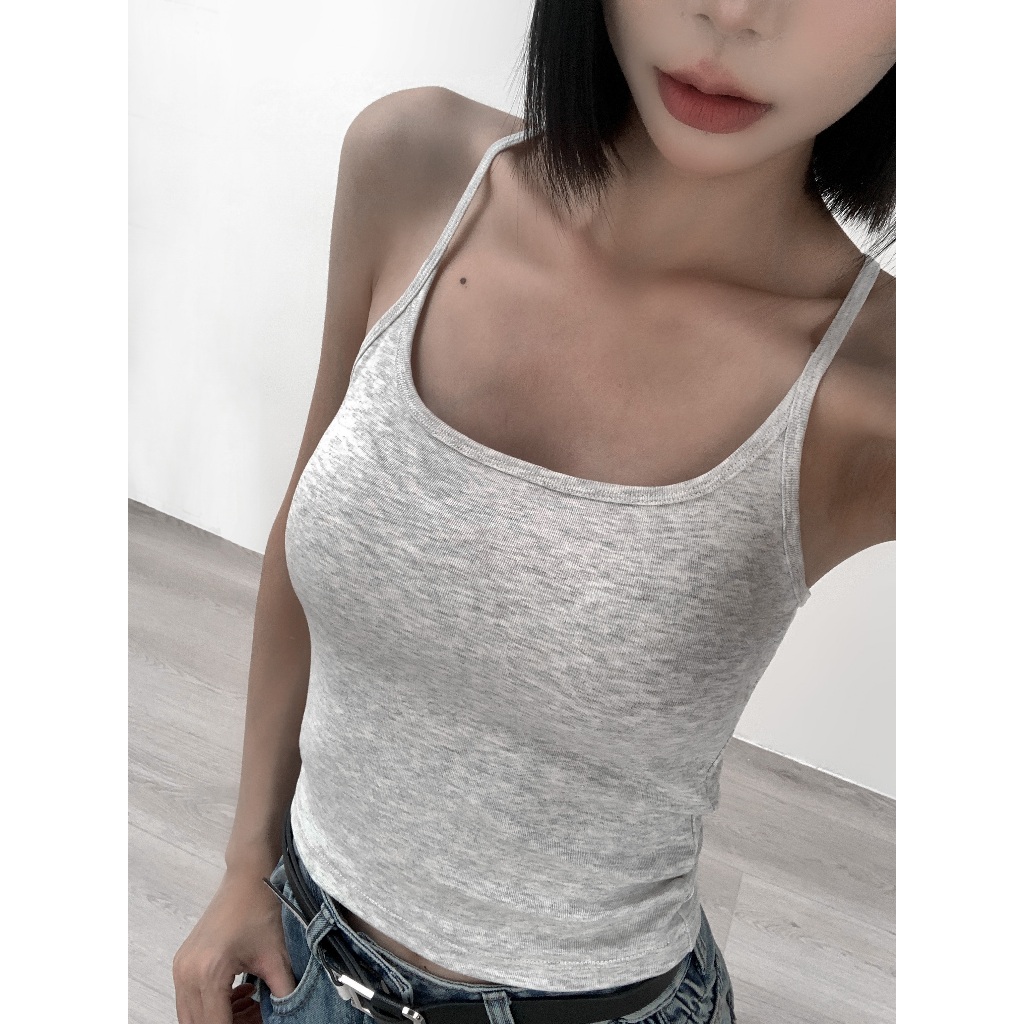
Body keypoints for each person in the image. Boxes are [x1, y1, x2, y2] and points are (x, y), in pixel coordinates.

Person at [171, 1, 896, 1022]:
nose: (732, 11)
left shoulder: (885, 389)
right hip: (299, 953)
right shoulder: (414, 164)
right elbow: (303, 525)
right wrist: (245, 861)